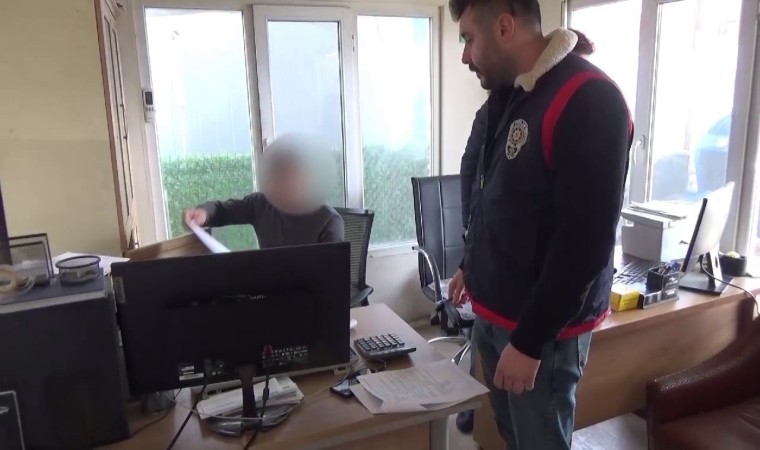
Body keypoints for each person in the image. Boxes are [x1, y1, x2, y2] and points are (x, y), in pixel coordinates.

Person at [448, 1, 632, 449]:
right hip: (492, 315)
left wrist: (529, 342)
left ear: (505, 27)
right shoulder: (509, 94)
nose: (465, 55)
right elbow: (492, 193)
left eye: (469, 38)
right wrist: (470, 264)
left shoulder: (589, 99)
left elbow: (585, 240)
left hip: (540, 334)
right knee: (511, 439)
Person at [183, 133, 344, 248]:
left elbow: (332, 275)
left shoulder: (329, 220)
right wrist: (204, 213)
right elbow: (222, 211)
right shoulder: (260, 204)